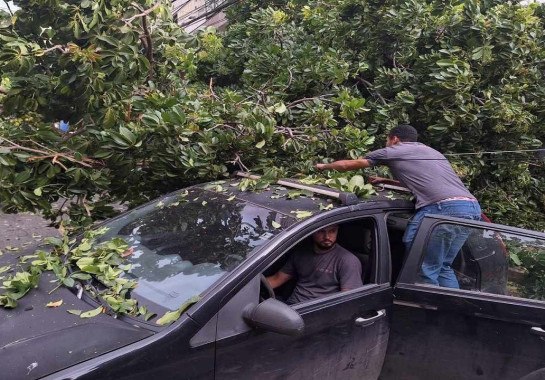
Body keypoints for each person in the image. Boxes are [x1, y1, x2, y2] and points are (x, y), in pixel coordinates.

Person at [315, 124, 481, 288]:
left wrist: (324, 166)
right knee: (442, 266)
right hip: (470, 208)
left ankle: (428, 311)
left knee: (422, 266)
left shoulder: (393, 151)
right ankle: (451, 310)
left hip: (442, 209)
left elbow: (347, 165)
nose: (386, 143)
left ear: (394, 139)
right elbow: (425, 181)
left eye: (387, 140)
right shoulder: (432, 152)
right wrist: (387, 181)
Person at [266, 225, 363, 304]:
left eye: (332, 231)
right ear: (312, 232)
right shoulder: (301, 253)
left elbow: (348, 301)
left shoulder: (347, 260)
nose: (327, 237)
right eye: (321, 231)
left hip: (318, 312)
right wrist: (252, 286)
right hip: (292, 305)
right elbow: (277, 279)